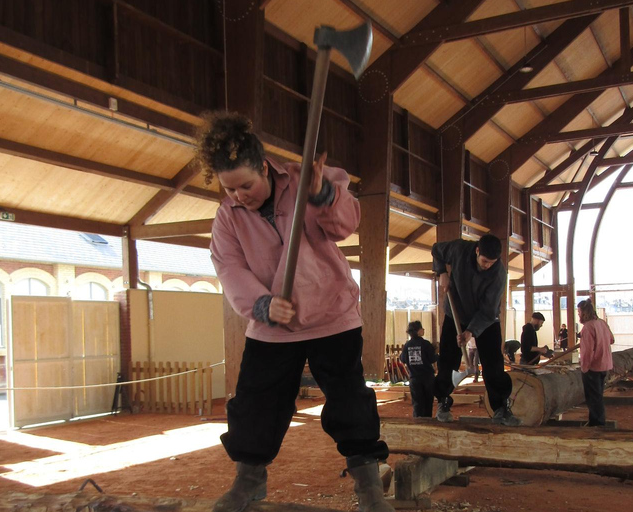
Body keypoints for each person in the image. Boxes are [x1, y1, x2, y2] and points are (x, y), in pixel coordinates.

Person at [198, 111, 393, 512]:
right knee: (255, 402)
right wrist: (262, 305)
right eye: (229, 189)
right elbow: (229, 267)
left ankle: (368, 486)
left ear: (264, 169)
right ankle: (249, 479)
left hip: (332, 314)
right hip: (272, 325)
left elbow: (346, 223)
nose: (239, 196)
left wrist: (322, 195)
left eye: (245, 185)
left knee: (349, 399)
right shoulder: (227, 218)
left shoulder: (307, 181)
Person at [431, 234, 521, 426]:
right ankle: (444, 401)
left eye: (492, 262)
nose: (488, 265)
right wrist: (442, 272)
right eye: (485, 261)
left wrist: (471, 332)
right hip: (456, 311)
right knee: (448, 360)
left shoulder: (498, 274)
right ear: (477, 251)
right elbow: (437, 250)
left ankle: (501, 408)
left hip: (486, 318)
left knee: (493, 364)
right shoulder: (459, 249)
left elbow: (488, 311)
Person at [577, 299, 615, 427]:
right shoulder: (602, 323)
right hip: (605, 365)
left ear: (584, 312)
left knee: (593, 398)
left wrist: (584, 368)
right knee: (598, 396)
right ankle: (595, 421)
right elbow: (611, 339)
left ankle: (597, 424)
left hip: (593, 367)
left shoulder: (588, 327)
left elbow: (588, 352)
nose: (578, 315)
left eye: (579, 312)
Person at [399, 321, 437, 417]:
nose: (423, 330)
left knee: (417, 404)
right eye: (422, 328)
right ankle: (427, 423)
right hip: (427, 377)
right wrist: (435, 351)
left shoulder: (407, 345)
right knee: (428, 403)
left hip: (414, 378)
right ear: (418, 331)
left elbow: (402, 359)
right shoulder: (425, 344)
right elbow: (433, 359)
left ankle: (418, 423)